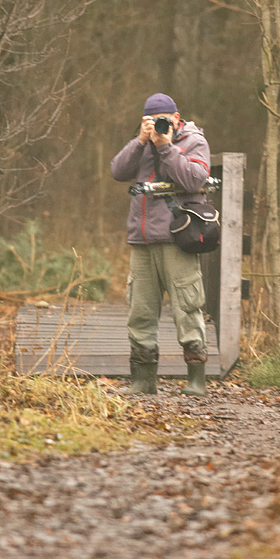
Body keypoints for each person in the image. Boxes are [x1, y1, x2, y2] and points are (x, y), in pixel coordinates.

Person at [111, 92, 211, 397]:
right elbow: (118, 171)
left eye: (166, 119)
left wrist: (166, 146)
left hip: (177, 236)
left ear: (177, 118)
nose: (161, 125)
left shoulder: (194, 142)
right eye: (154, 120)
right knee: (140, 310)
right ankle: (143, 379)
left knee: (187, 306)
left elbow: (194, 179)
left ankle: (197, 379)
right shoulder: (143, 141)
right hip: (142, 239)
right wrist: (141, 140)